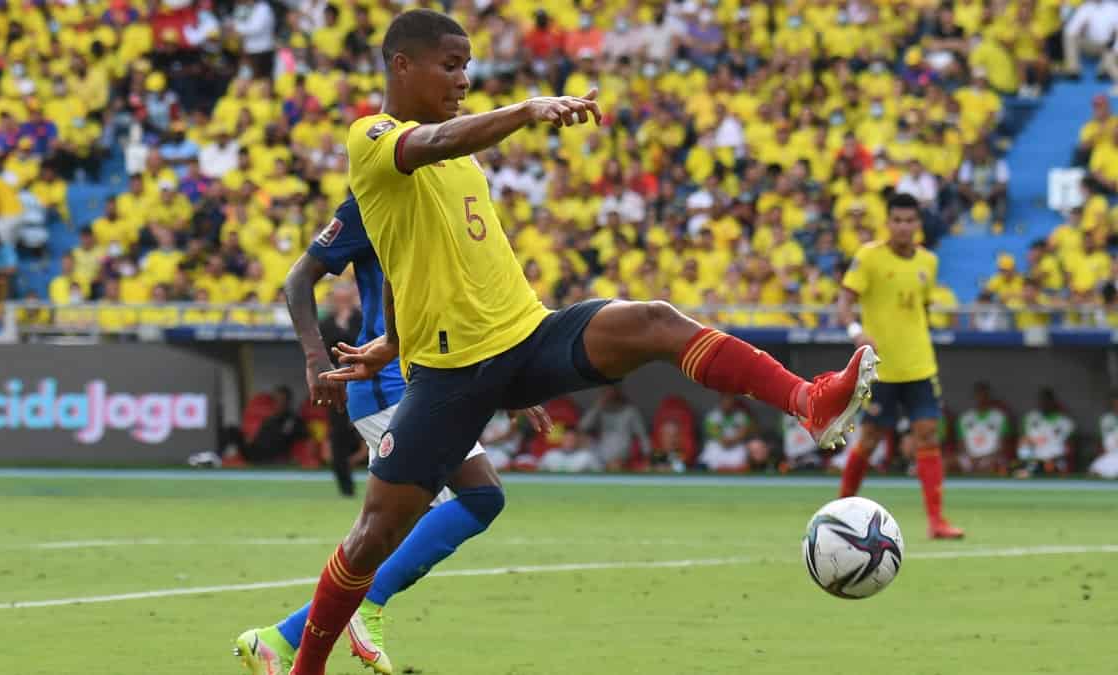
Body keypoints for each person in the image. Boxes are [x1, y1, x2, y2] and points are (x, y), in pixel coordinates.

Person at [289, 11, 877, 674]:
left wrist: (394, 340)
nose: (463, 78)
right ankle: (304, 664)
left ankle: (809, 399)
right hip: (452, 373)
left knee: (652, 319)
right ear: (402, 65)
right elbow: (429, 154)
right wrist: (527, 107)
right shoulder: (372, 137)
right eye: (450, 65)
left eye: (467, 65)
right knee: (373, 536)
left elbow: (414, 257)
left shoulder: (460, 158)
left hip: (525, 335)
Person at [234, 197, 548, 675]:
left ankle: (279, 639)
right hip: (389, 383)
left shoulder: (448, 198)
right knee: (478, 496)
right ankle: (365, 604)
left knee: (393, 528)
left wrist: (505, 379)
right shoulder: (377, 199)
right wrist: (316, 359)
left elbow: (462, 302)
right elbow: (298, 278)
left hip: (433, 378)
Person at [837, 192, 964, 540]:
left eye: (910, 221)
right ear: (888, 223)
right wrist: (855, 330)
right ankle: (838, 511)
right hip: (881, 369)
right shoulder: (869, 257)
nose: (904, 227)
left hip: (920, 366)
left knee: (927, 436)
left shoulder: (928, 262)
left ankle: (937, 521)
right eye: (898, 220)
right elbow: (844, 302)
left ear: (918, 225)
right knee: (870, 439)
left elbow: (920, 310)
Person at [318, 282, 364, 497]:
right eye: (339, 295)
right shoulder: (326, 323)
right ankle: (345, 486)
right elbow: (320, 353)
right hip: (336, 381)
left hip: (363, 379)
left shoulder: (362, 319)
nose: (342, 299)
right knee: (338, 433)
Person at [578, 385, 650, 470]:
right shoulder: (600, 409)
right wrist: (597, 406)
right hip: (601, 452)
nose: (610, 394)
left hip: (621, 454)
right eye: (607, 392)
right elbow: (582, 426)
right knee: (582, 439)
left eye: (612, 391)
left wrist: (648, 454)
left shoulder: (630, 411)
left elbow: (642, 435)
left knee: (615, 464)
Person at [956, 381, 1012, 475]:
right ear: (974, 396)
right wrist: (971, 457)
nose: (981, 398)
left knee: (997, 463)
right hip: (969, 457)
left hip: (992, 457)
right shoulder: (964, 418)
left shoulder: (999, 417)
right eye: (979, 394)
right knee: (947, 462)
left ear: (989, 396)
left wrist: (986, 457)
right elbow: (960, 444)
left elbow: (1003, 445)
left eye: (984, 394)